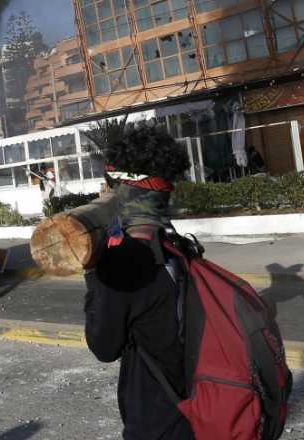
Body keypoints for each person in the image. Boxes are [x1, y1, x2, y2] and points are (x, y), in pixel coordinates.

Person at [82, 123, 193, 439]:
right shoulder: (180, 248)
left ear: (123, 192)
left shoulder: (123, 265)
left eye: (109, 187)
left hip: (156, 425)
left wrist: (92, 270)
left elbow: (103, 346)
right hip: (199, 414)